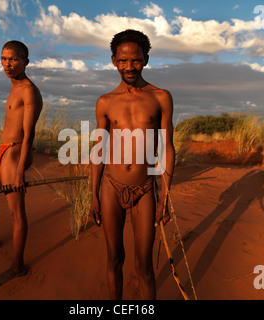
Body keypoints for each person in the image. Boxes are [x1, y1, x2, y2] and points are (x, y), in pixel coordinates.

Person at [89, 29, 175, 300]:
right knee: (114, 257)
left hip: (145, 188)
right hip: (111, 188)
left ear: (146, 59)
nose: (129, 67)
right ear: (114, 60)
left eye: (135, 60)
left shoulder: (161, 97)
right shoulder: (105, 101)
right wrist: (93, 195)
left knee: (144, 265)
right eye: (123, 61)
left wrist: (166, 194)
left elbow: (168, 147)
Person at [0, 40, 43, 288]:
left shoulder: (28, 91)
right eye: (3, 59)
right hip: (5, 152)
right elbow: (9, 129)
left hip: (16, 155)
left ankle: (18, 266)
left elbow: (28, 135)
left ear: (26, 61)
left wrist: (20, 171)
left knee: (16, 213)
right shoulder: (13, 88)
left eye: (13, 59)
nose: (7, 64)